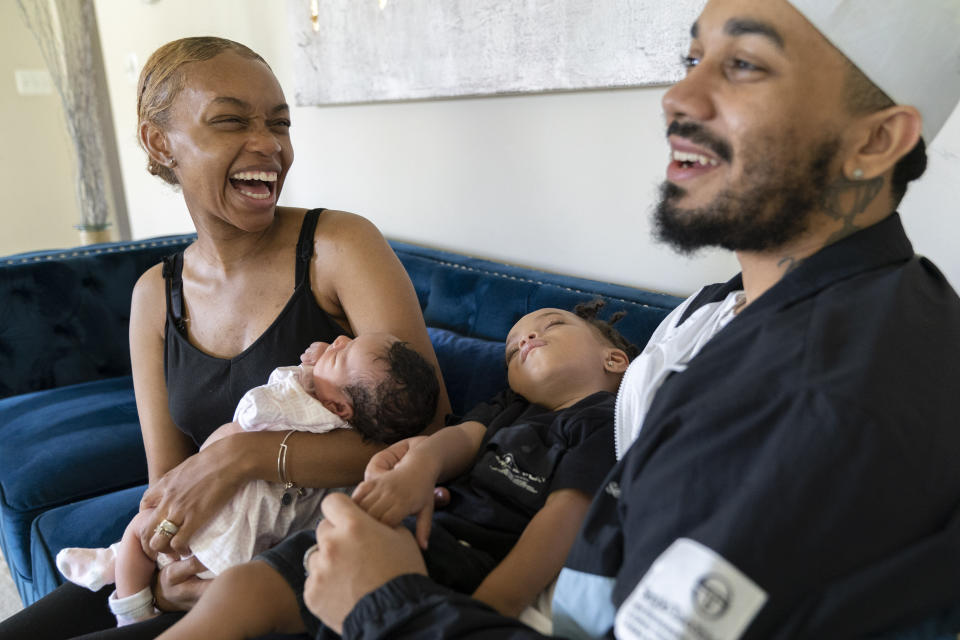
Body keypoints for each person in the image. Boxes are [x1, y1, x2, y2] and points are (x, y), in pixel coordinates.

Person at [294, 1, 960, 638]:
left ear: (875, 140)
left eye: (745, 65)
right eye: (693, 57)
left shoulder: (819, 397)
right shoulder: (724, 309)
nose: (678, 97)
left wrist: (387, 604)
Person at [0, 36, 448, 640]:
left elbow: (426, 431)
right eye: (231, 120)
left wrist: (247, 455)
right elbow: (170, 481)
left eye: (280, 124)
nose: (268, 144)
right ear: (161, 142)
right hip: (195, 564)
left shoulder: (339, 246)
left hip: (308, 566)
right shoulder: (155, 297)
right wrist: (157, 580)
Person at [151, 302, 638, 639]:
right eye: (512, 347)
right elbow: (458, 440)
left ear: (615, 359)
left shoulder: (605, 425)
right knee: (240, 588)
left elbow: (564, 521)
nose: (525, 338)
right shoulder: (509, 407)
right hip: (395, 534)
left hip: (462, 561)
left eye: (551, 326)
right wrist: (420, 464)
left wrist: (489, 609)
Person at [54, 334, 439, 627]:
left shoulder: (304, 404)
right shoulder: (348, 420)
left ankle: (130, 609)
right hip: (251, 546)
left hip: (226, 528)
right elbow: (168, 478)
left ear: (339, 407)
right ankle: (116, 565)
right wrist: (327, 365)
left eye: (341, 350)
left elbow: (254, 411)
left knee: (140, 533)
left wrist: (303, 375)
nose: (339, 338)